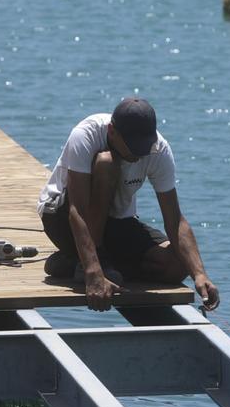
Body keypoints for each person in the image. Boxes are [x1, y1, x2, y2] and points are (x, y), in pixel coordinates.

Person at [37, 96, 220, 312]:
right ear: (112, 131)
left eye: (144, 147)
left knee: (177, 265)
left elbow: (175, 220)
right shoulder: (85, 135)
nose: (139, 153)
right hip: (62, 217)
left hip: (115, 221)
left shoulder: (158, 150)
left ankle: (72, 263)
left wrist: (199, 273)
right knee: (106, 163)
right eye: (133, 147)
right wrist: (94, 272)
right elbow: (77, 211)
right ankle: (91, 263)